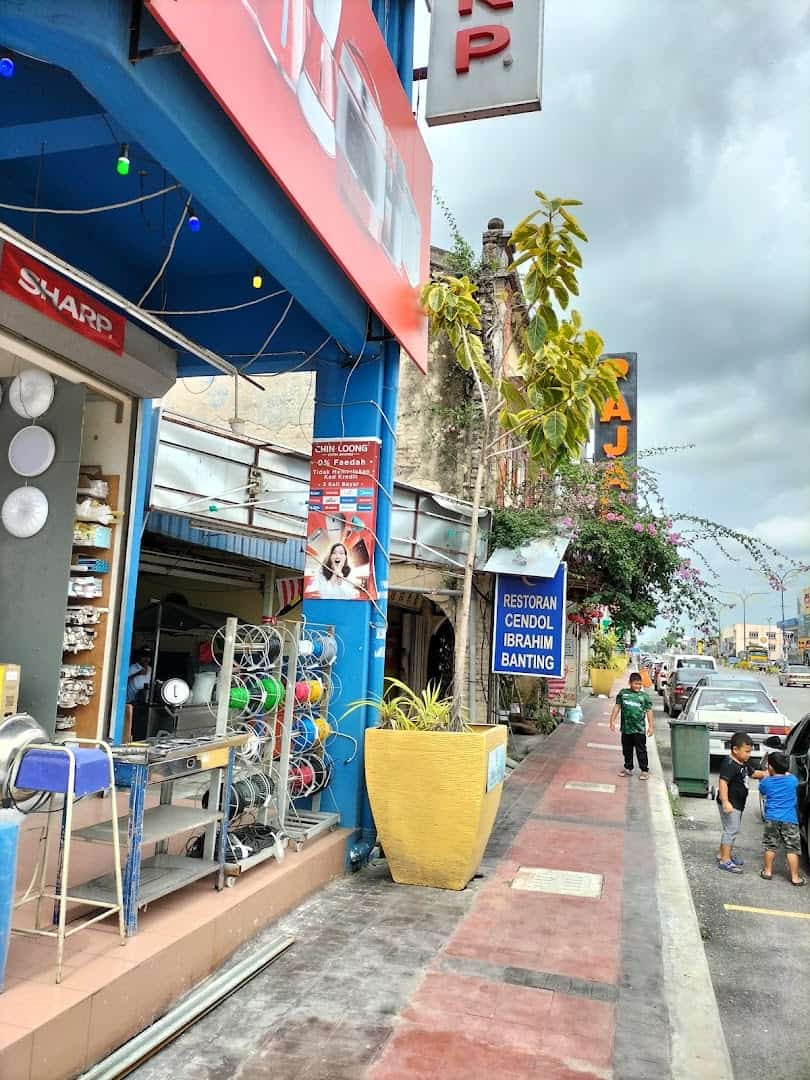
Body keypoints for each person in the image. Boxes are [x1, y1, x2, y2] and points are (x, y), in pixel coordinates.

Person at [716, 732, 768, 873]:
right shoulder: (729, 764)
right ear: (735, 749)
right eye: (746, 751)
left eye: (750, 751)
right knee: (731, 830)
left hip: (737, 803)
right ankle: (725, 860)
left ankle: (723, 854)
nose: (749, 754)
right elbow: (723, 783)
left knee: (730, 829)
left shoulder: (743, 763)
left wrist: (767, 774)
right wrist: (726, 801)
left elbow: (752, 773)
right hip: (731, 803)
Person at [759, 750, 805, 886]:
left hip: (771, 818)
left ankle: (767, 871)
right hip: (789, 819)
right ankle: (795, 877)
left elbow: (762, 790)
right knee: (792, 848)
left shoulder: (767, 782)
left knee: (770, 845)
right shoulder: (792, 780)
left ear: (771, 768)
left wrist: (766, 776)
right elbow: (794, 782)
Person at [609, 672, 654, 779]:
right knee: (627, 749)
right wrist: (612, 720)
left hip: (639, 729)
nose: (638, 686)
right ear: (630, 683)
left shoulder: (644, 697)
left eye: (640, 684)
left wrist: (651, 726)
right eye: (636, 684)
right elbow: (617, 707)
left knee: (641, 750)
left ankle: (644, 770)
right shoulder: (623, 694)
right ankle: (628, 768)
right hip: (626, 729)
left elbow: (649, 711)